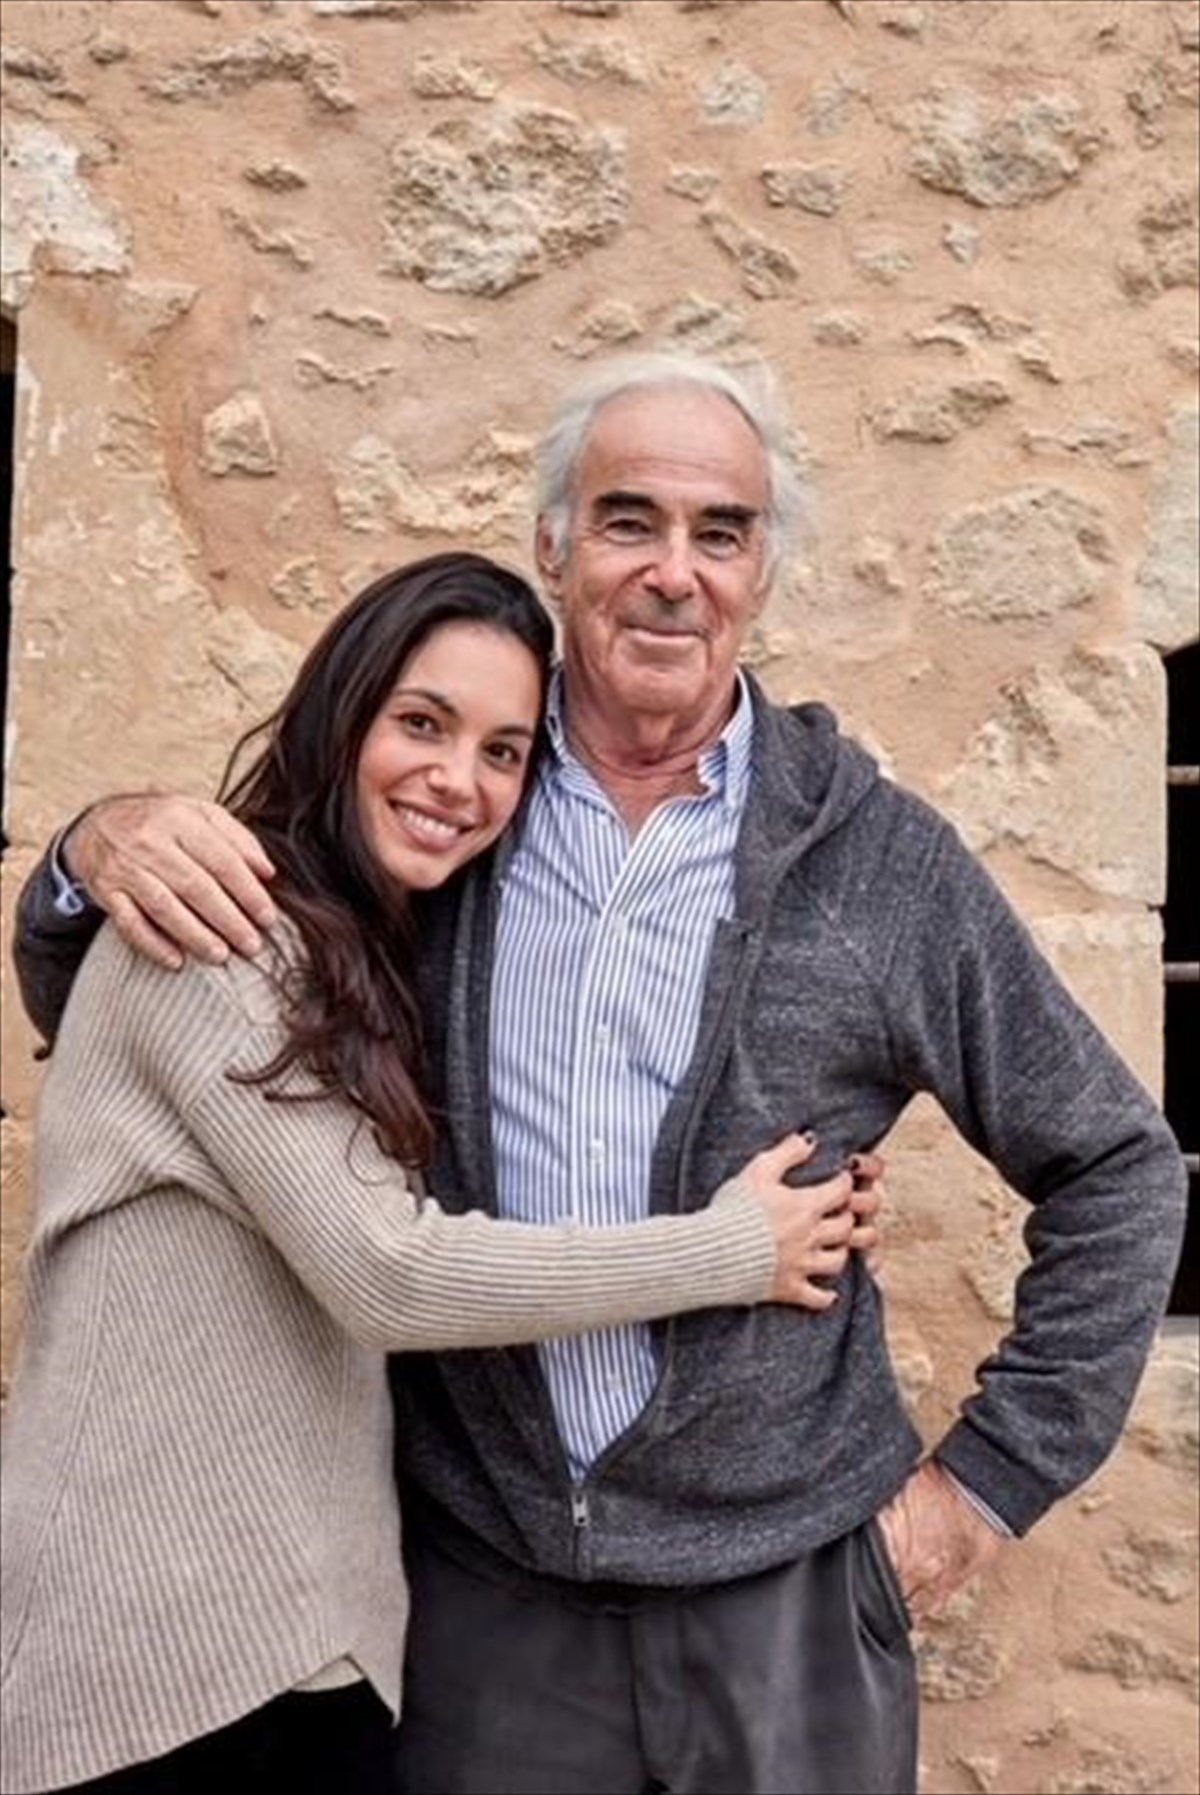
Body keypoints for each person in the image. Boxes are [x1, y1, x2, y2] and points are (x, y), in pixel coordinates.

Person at [11, 356, 1188, 1795]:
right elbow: (179, 1011)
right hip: (486, 1594)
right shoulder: (446, 818)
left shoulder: (878, 867)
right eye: (630, 520)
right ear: (556, 548)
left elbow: (1118, 1165)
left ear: (763, 573)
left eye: (721, 531)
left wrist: (977, 1492)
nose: (673, 572)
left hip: (786, 1603)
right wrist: (87, 851)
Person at [1, 549, 885, 1795]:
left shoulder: (363, 956)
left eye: (503, 751)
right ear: (342, 713)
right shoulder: (220, 936)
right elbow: (391, 1273)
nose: (458, 779)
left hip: (310, 1646)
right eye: (422, 723)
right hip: (153, 1657)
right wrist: (733, 1248)